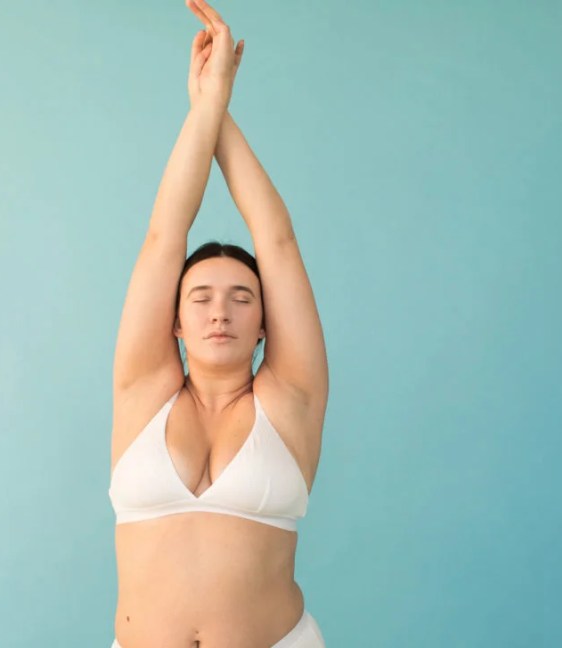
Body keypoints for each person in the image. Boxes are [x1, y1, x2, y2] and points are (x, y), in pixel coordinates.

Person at [107, 1, 329, 646]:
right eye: (200, 297)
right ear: (173, 320)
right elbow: (162, 238)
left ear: (266, 323)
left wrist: (219, 108)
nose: (219, 311)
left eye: (242, 297)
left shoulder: (291, 400)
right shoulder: (141, 392)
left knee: (268, 250)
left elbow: (277, 241)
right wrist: (206, 106)